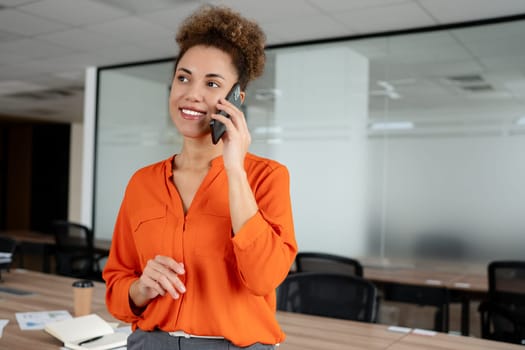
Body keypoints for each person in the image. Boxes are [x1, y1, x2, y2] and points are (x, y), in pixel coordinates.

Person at [103, 4, 297, 350]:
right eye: (183, 77)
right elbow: (117, 287)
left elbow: (264, 277)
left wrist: (235, 169)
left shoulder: (267, 177)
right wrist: (140, 288)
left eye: (212, 83)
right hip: (150, 343)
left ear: (236, 98)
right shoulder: (142, 183)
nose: (192, 93)